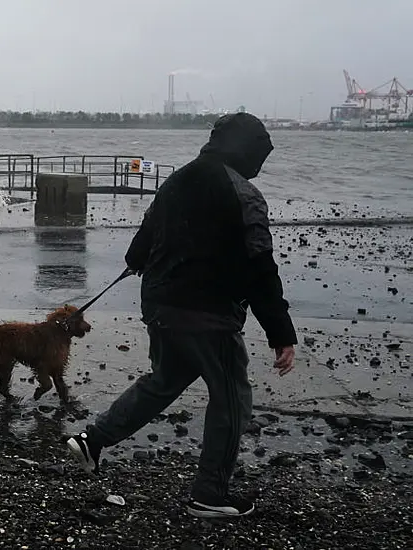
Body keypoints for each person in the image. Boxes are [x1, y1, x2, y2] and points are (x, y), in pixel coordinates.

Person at [65, 112, 297, 519]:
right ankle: (210, 494)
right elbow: (261, 267)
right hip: (207, 314)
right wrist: (281, 332)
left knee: (164, 380)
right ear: (249, 152)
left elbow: (141, 245)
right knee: (232, 400)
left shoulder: (177, 179)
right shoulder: (243, 194)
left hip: (159, 304)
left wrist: (143, 260)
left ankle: (93, 439)